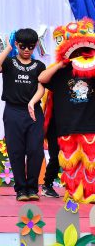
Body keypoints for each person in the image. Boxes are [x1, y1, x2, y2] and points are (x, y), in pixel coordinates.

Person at [38, 18, 95, 203]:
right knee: (70, 165)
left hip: (90, 125)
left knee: (91, 164)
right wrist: (60, 64)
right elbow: (41, 78)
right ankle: (73, 192)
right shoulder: (61, 71)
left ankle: (90, 193)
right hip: (66, 127)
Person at [0, 28, 45, 202]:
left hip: (34, 112)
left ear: (35, 45)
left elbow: (41, 88)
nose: (27, 50)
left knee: (35, 150)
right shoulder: (9, 62)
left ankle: (32, 188)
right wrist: (8, 48)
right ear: (17, 44)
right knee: (16, 151)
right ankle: (21, 189)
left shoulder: (39, 66)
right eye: (22, 46)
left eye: (31, 46)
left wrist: (32, 102)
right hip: (13, 111)